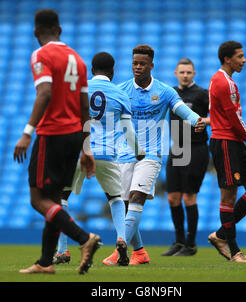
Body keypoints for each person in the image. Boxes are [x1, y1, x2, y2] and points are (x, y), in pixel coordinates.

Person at [13, 9, 101, 275]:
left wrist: (28, 132)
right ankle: (45, 262)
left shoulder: (41, 55)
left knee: (37, 198)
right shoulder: (78, 58)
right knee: (53, 198)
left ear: (36, 32)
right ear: (60, 30)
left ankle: (84, 238)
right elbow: (85, 106)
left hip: (52, 134)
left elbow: (45, 92)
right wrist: (86, 148)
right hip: (75, 136)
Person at [102, 44, 206, 265]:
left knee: (137, 197)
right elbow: (107, 118)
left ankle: (118, 251)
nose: (137, 67)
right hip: (124, 154)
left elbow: (180, 108)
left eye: (142, 64)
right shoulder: (121, 91)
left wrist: (196, 120)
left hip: (151, 154)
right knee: (126, 205)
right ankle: (139, 252)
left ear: (151, 65)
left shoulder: (165, 91)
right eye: (134, 63)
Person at [53, 52, 145, 266]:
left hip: (77, 151)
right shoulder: (120, 94)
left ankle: (63, 251)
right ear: (112, 71)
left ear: (91, 70)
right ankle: (121, 238)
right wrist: (138, 150)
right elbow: (128, 130)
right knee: (115, 198)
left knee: (62, 197)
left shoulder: (78, 89)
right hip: (106, 153)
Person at [207, 41, 246, 263]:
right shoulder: (223, 82)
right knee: (228, 196)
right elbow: (233, 118)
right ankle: (234, 249)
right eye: (240, 56)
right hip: (226, 143)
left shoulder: (225, 81)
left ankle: (220, 235)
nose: (244, 60)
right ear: (227, 59)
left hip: (234, 143)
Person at [162, 58, 210, 256]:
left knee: (189, 196)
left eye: (188, 72)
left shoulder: (202, 94)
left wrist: (202, 121)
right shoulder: (171, 93)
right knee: (173, 197)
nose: (185, 75)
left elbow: (217, 116)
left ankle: (190, 244)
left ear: (194, 74)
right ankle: (179, 242)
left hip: (196, 147)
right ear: (176, 73)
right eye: (182, 72)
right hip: (177, 148)